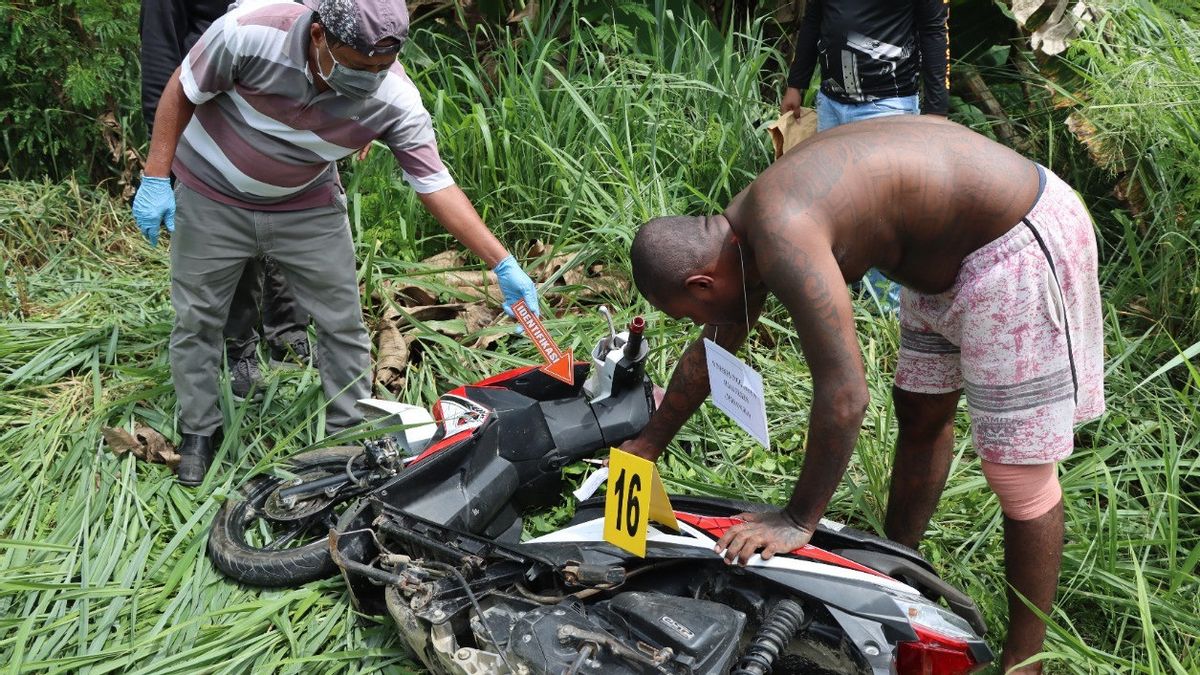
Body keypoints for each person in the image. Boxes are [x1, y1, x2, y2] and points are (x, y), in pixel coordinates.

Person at [623, 116, 1104, 673]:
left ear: (702, 284)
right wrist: (649, 444)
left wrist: (798, 520)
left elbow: (846, 393)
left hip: (1014, 247)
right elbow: (720, 342)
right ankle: (898, 566)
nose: (704, 320)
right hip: (941, 262)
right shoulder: (739, 235)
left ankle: (1026, 661)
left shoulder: (779, 233)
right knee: (921, 413)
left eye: (692, 311)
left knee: (1018, 473)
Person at [131, 0, 539, 486]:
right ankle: (199, 431)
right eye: (358, 65)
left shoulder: (394, 98)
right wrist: (156, 176)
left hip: (307, 206)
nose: (369, 79)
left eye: (381, 67)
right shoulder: (246, 31)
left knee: (342, 325)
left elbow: (435, 184)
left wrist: (502, 262)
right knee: (197, 320)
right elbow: (183, 86)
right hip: (211, 193)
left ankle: (343, 441)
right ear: (320, 35)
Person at [139, 0, 315, 401]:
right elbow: (160, 57)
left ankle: (288, 334)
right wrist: (160, 164)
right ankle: (240, 349)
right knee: (234, 239)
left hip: (285, 114)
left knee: (289, 223)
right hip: (207, 119)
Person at [781, 0, 950, 312]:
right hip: (831, 102)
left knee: (884, 212)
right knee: (833, 202)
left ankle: (887, 310)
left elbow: (933, 31)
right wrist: (796, 84)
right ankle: (845, 293)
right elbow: (814, 20)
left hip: (888, 105)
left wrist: (937, 109)